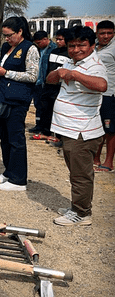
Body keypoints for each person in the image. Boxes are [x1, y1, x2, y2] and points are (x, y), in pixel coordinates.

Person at [47, 26, 107, 226]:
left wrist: (75, 75)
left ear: (92, 46)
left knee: (81, 175)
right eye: (72, 46)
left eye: (82, 45)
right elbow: (50, 79)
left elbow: (101, 85)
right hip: (68, 128)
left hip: (82, 130)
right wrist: (60, 73)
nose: (76, 50)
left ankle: (82, 214)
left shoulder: (95, 65)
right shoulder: (69, 61)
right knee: (75, 172)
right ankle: (77, 206)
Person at [0, 16, 39, 191]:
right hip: (2, 97)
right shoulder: (5, 48)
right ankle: (9, 171)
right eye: (5, 36)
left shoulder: (30, 49)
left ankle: (19, 180)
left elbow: (33, 76)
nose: (7, 39)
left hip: (17, 101)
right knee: (4, 138)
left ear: (20, 32)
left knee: (16, 139)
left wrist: (6, 73)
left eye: (10, 35)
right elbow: (2, 69)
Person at [30, 29, 70, 142]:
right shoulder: (54, 52)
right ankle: (45, 131)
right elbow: (47, 69)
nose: (58, 41)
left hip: (60, 87)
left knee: (57, 110)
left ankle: (58, 135)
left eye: (60, 39)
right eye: (57, 39)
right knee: (45, 108)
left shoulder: (69, 54)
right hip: (47, 86)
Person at [93, 20, 115, 172]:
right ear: (97, 33)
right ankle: (95, 158)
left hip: (110, 93)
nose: (106, 36)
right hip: (95, 93)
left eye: (109, 33)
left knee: (110, 130)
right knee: (98, 127)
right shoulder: (93, 46)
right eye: (102, 33)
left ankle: (108, 162)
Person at [30, 31, 57, 134]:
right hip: (36, 82)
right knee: (37, 105)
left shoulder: (53, 49)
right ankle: (38, 126)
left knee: (46, 107)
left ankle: (47, 128)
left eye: (39, 42)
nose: (38, 44)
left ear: (46, 39)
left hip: (46, 83)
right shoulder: (36, 49)